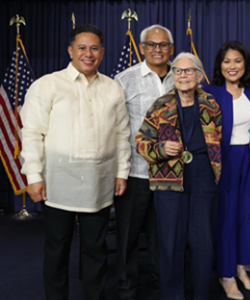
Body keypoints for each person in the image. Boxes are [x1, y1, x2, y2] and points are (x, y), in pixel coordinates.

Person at [20, 24, 131, 300]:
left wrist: (122, 172)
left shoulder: (113, 88)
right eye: (82, 47)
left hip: (100, 182)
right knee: (57, 248)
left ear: (103, 53)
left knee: (95, 249)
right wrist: (33, 175)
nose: (88, 53)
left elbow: (122, 135)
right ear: (70, 50)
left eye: (94, 48)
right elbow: (32, 133)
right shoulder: (47, 84)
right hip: (59, 182)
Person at [136, 52, 222, 300]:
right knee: (171, 242)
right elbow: (141, 142)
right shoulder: (160, 105)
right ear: (173, 75)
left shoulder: (210, 103)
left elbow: (218, 136)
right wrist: (161, 150)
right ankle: (172, 295)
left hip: (204, 176)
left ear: (198, 75)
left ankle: (201, 294)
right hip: (168, 180)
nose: (183, 75)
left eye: (189, 70)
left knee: (203, 243)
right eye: (178, 71)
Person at [113, 24, 174, 299]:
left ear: (171, 49)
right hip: (135, 171)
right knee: (128, 233)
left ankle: (161, 282)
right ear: (142, 47)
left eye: (162, 45)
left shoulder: (184, 76)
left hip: (171, 174)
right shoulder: (125, 79)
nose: (157, 49)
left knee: (162, 235)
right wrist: (120, 172)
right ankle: (127, 285)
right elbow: (116, 129)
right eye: (151, 44)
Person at [203, 40, 250, 300]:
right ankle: (226, 275)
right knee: (225, 218)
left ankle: (242, 268)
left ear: (245, 64)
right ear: (220, 65)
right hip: (222, 161)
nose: (232, 66)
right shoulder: (210, 92)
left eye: (237, 61)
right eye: (227, 61)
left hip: (248, 159)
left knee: (245, 215)